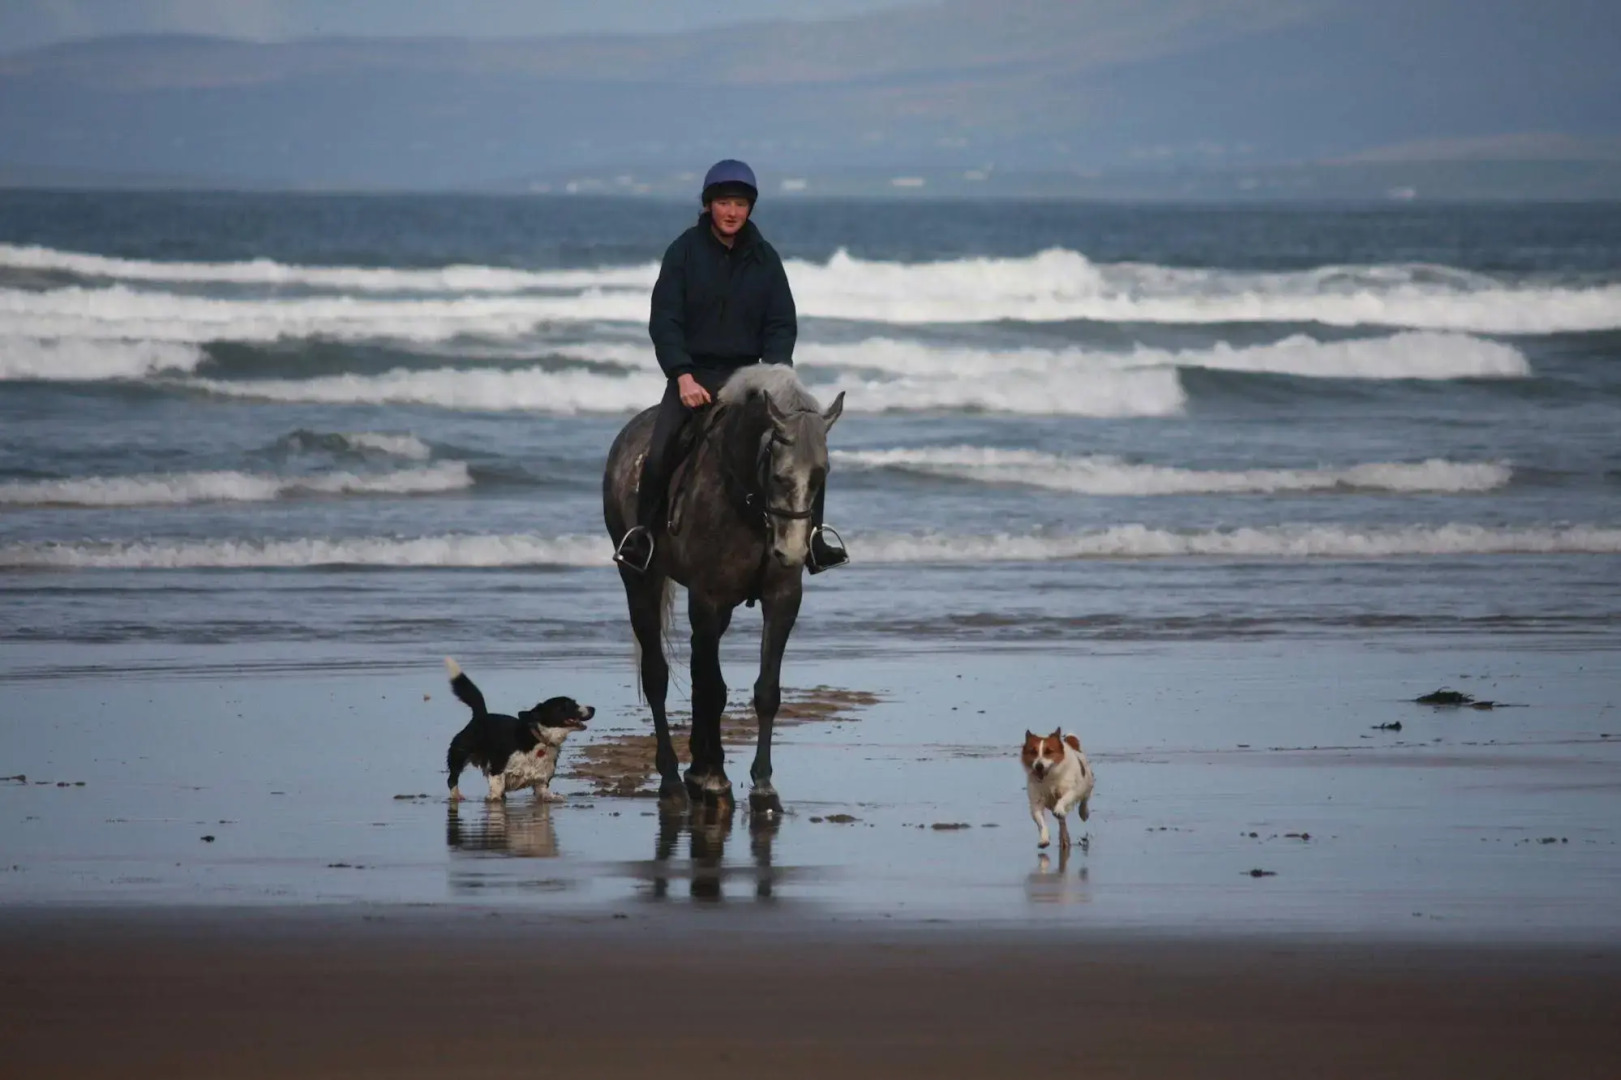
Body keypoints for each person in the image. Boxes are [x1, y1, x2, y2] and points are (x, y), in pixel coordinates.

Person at [614, 159, 848, 575]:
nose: (732, 212)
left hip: (751, 379)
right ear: (708, 205)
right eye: (723, 202)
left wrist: (776, 372)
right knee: (660, 448)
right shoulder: (683, 252)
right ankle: (643, 538)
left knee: (804, 447)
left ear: (750, 208)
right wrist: (682, 375)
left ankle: (814, 539)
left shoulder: (765, 259)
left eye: (740, 203)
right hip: (695, 376)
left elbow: (781, 322)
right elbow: (665, 320)